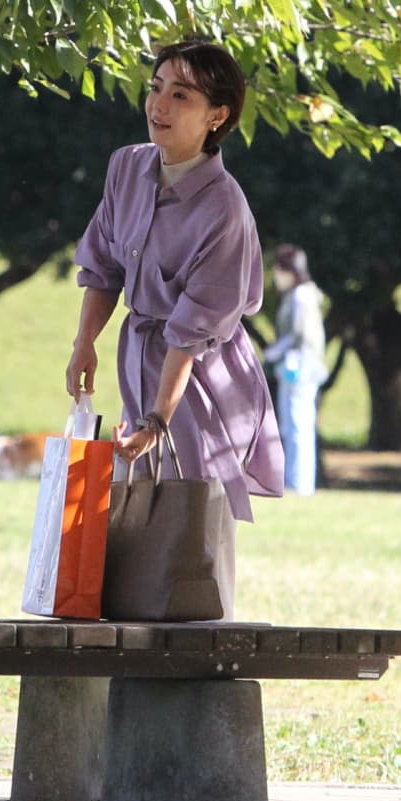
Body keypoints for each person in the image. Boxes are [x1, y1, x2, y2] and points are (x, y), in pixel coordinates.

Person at [66, 39, 285, 616]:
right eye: (155, 87)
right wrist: (84, 342)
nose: (158, 103)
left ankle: (205, 627)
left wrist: (158, 417)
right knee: (142, 492)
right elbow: (104, 265)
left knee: (196, 498)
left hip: (202, 373)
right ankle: (141, 614)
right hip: (141, 356)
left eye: (180, 94)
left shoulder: (223, 207)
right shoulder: (127, 167)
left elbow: (192, 331)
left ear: (217, 116)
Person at [262, 245, 328, 495]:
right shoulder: (299, 294)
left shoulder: (301, 295)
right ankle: (297, 481)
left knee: (298, 424)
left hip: (300, 364)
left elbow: (299, 334)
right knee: (293, 424)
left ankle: (298, 483)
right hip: (295, 364)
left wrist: (273, 352)